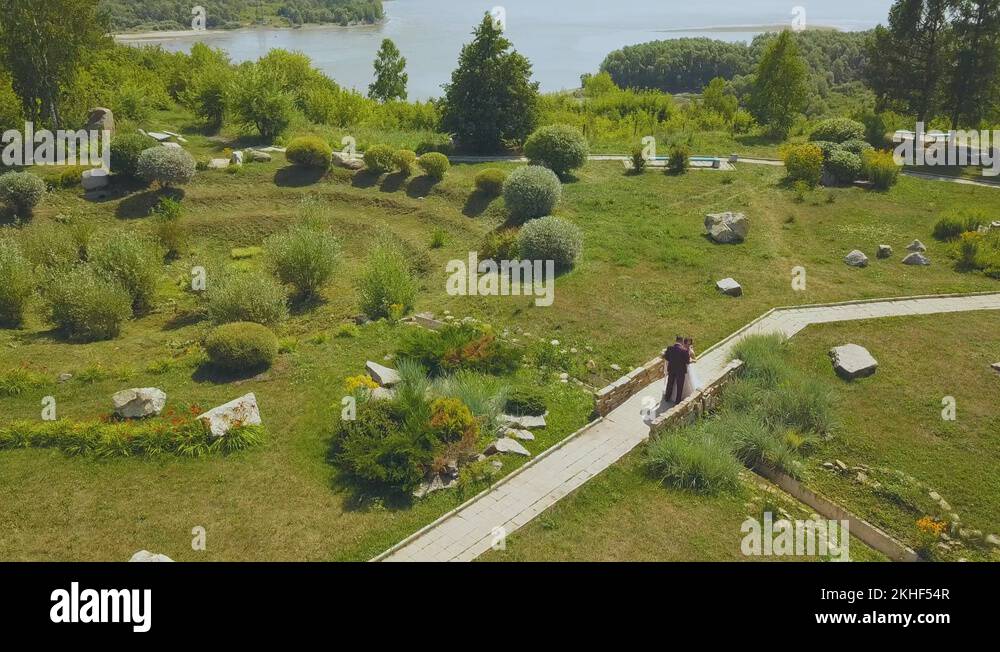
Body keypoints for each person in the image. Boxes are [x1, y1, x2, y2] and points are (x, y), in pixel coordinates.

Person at [663, 336, 690, 404]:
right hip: (680, 371)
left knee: (670, 383)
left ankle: (667, 397)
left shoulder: (669, 348)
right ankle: (677, 401)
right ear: (681, 341)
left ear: (676, 340)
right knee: (679, 386)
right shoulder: (684, 351)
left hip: (671, 369)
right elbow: (687, 361)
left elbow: (666, 357)